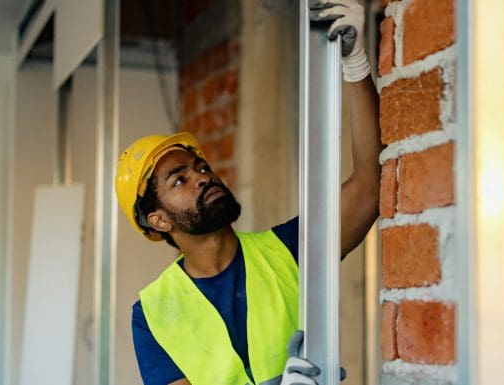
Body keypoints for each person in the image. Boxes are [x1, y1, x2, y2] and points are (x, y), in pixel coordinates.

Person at [114, 1, 380, 384]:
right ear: (158, 219)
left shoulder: (288, 250)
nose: (202, 177)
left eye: (201, 167)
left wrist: (354, 64)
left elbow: (369, 188)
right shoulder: (154, 314)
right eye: (179, 180)